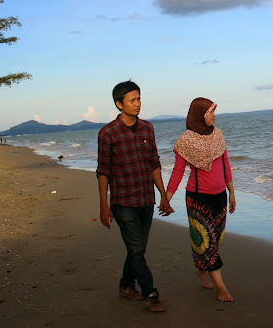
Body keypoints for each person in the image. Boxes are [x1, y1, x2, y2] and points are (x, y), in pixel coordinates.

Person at [96, 80, 174, 312]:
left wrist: (164, 195)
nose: (138, 104)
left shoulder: (148, 128)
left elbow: (154, 164)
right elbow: (103, 172)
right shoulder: (107, 133)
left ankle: (126, 285)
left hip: (146, 199)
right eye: (132, 100)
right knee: (137, 249)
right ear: (119, 104)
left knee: (137, 248)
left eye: (139, 98)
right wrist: (103, 205)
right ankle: (151, 293)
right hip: (123, 202)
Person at [166, 97, 236, 302]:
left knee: (216, 239)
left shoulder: (218, 136)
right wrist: (167, 198)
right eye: (210, 112)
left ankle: (201, 268)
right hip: (197, 198)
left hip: (220, 196)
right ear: (199, 115)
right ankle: (221, 287)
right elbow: (178, 171)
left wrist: (231, 192)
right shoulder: (185, 141)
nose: (214, 115)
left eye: (214, 111)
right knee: (207, 242)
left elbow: (226, 165)